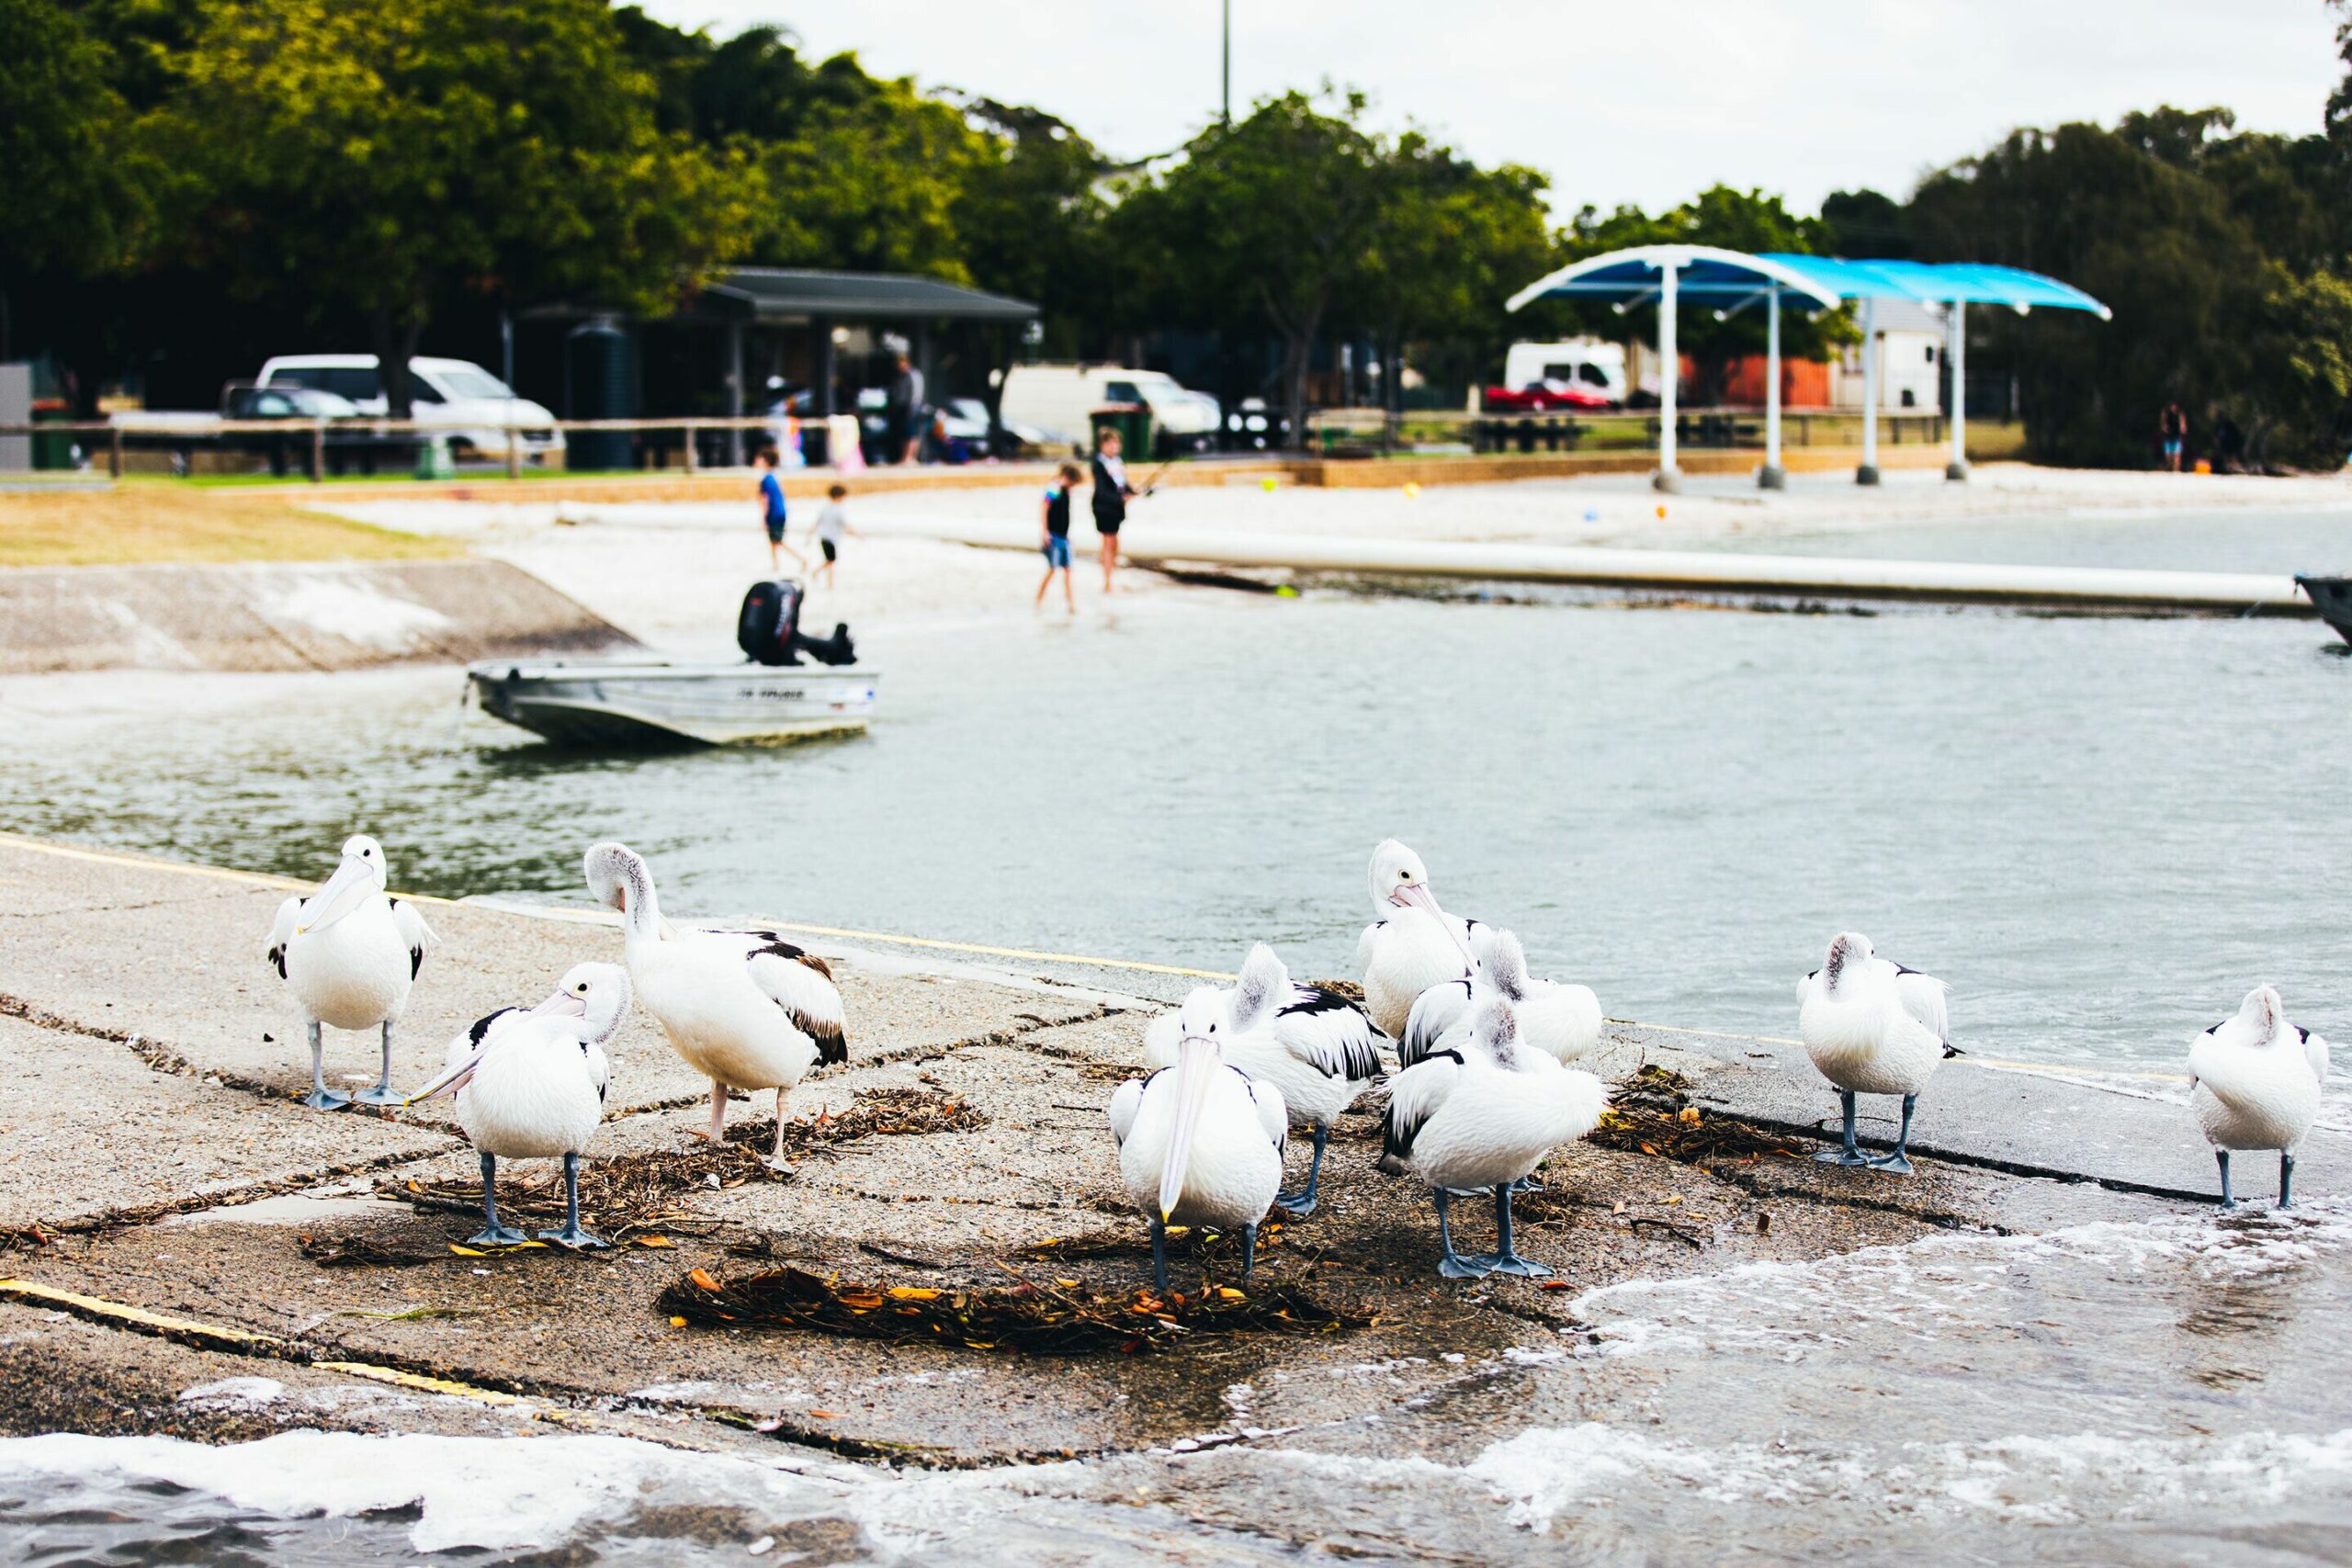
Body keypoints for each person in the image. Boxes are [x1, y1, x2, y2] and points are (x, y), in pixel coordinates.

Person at [1090, 428, 1137, 592]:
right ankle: (1107, 581)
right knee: (1108, 542)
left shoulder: (1117, 461)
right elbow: (1102, 490)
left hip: (1116, 507)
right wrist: (1120, 499)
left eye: (1116, 443)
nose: (1114, 447)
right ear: (1103, 445)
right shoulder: (1098, 463)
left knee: (1114, 542)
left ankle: (1111, 577)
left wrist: (1132, 491)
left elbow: (1122, 483)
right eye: (1111, 443)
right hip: (1104, 507)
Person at [1035, 462, 1081, 613]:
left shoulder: (1066, 490)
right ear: (1067, 477)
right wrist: (1045, 532)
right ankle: (1039, 600)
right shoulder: (1053, 488)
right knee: (1053, 569)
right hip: (1053, 536)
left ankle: (1071, 604)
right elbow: (1044, 509)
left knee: (1068, 570)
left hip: (1063, 537)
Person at [753, 448, 808, 575]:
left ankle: (802, 559)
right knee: (773, 540)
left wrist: (764, 518)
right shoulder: (773, 476)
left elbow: (765, 500)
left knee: (778, 541)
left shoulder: (766, 479)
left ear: (766, 461)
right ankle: (775, 565)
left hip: (774, 513)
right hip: (780, 511)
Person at [808, 482, 857, 590]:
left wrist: (809, 535)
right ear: (839, 496)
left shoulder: (825, 508)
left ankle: (816, 572)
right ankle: (829, 584)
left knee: (830, 560)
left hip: (823, 537)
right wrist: (858, 535)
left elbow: (817, 522)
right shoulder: (839, 510)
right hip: (830, 538)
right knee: (831, 561)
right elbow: (846, 526)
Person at [886, 351, 926, 466]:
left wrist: (913, 407)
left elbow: (916, 393)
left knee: (912, 434)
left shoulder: (913, 375)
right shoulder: (899, 376)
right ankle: (905, 457)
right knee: (905, 434)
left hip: (912, 409)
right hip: (901, 410)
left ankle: (910, 458)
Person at [2159, 401, 2188, 473]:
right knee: (2168, 456)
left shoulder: (2180, 415)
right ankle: (2168, 468)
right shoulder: (2166, 414)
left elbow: (2183, 425)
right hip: (2168, 438)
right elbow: (2163, 424)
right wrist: (2164, 427)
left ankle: (2176, 470)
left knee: (2177, 455)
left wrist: (2183, 428)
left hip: (2176, 437)